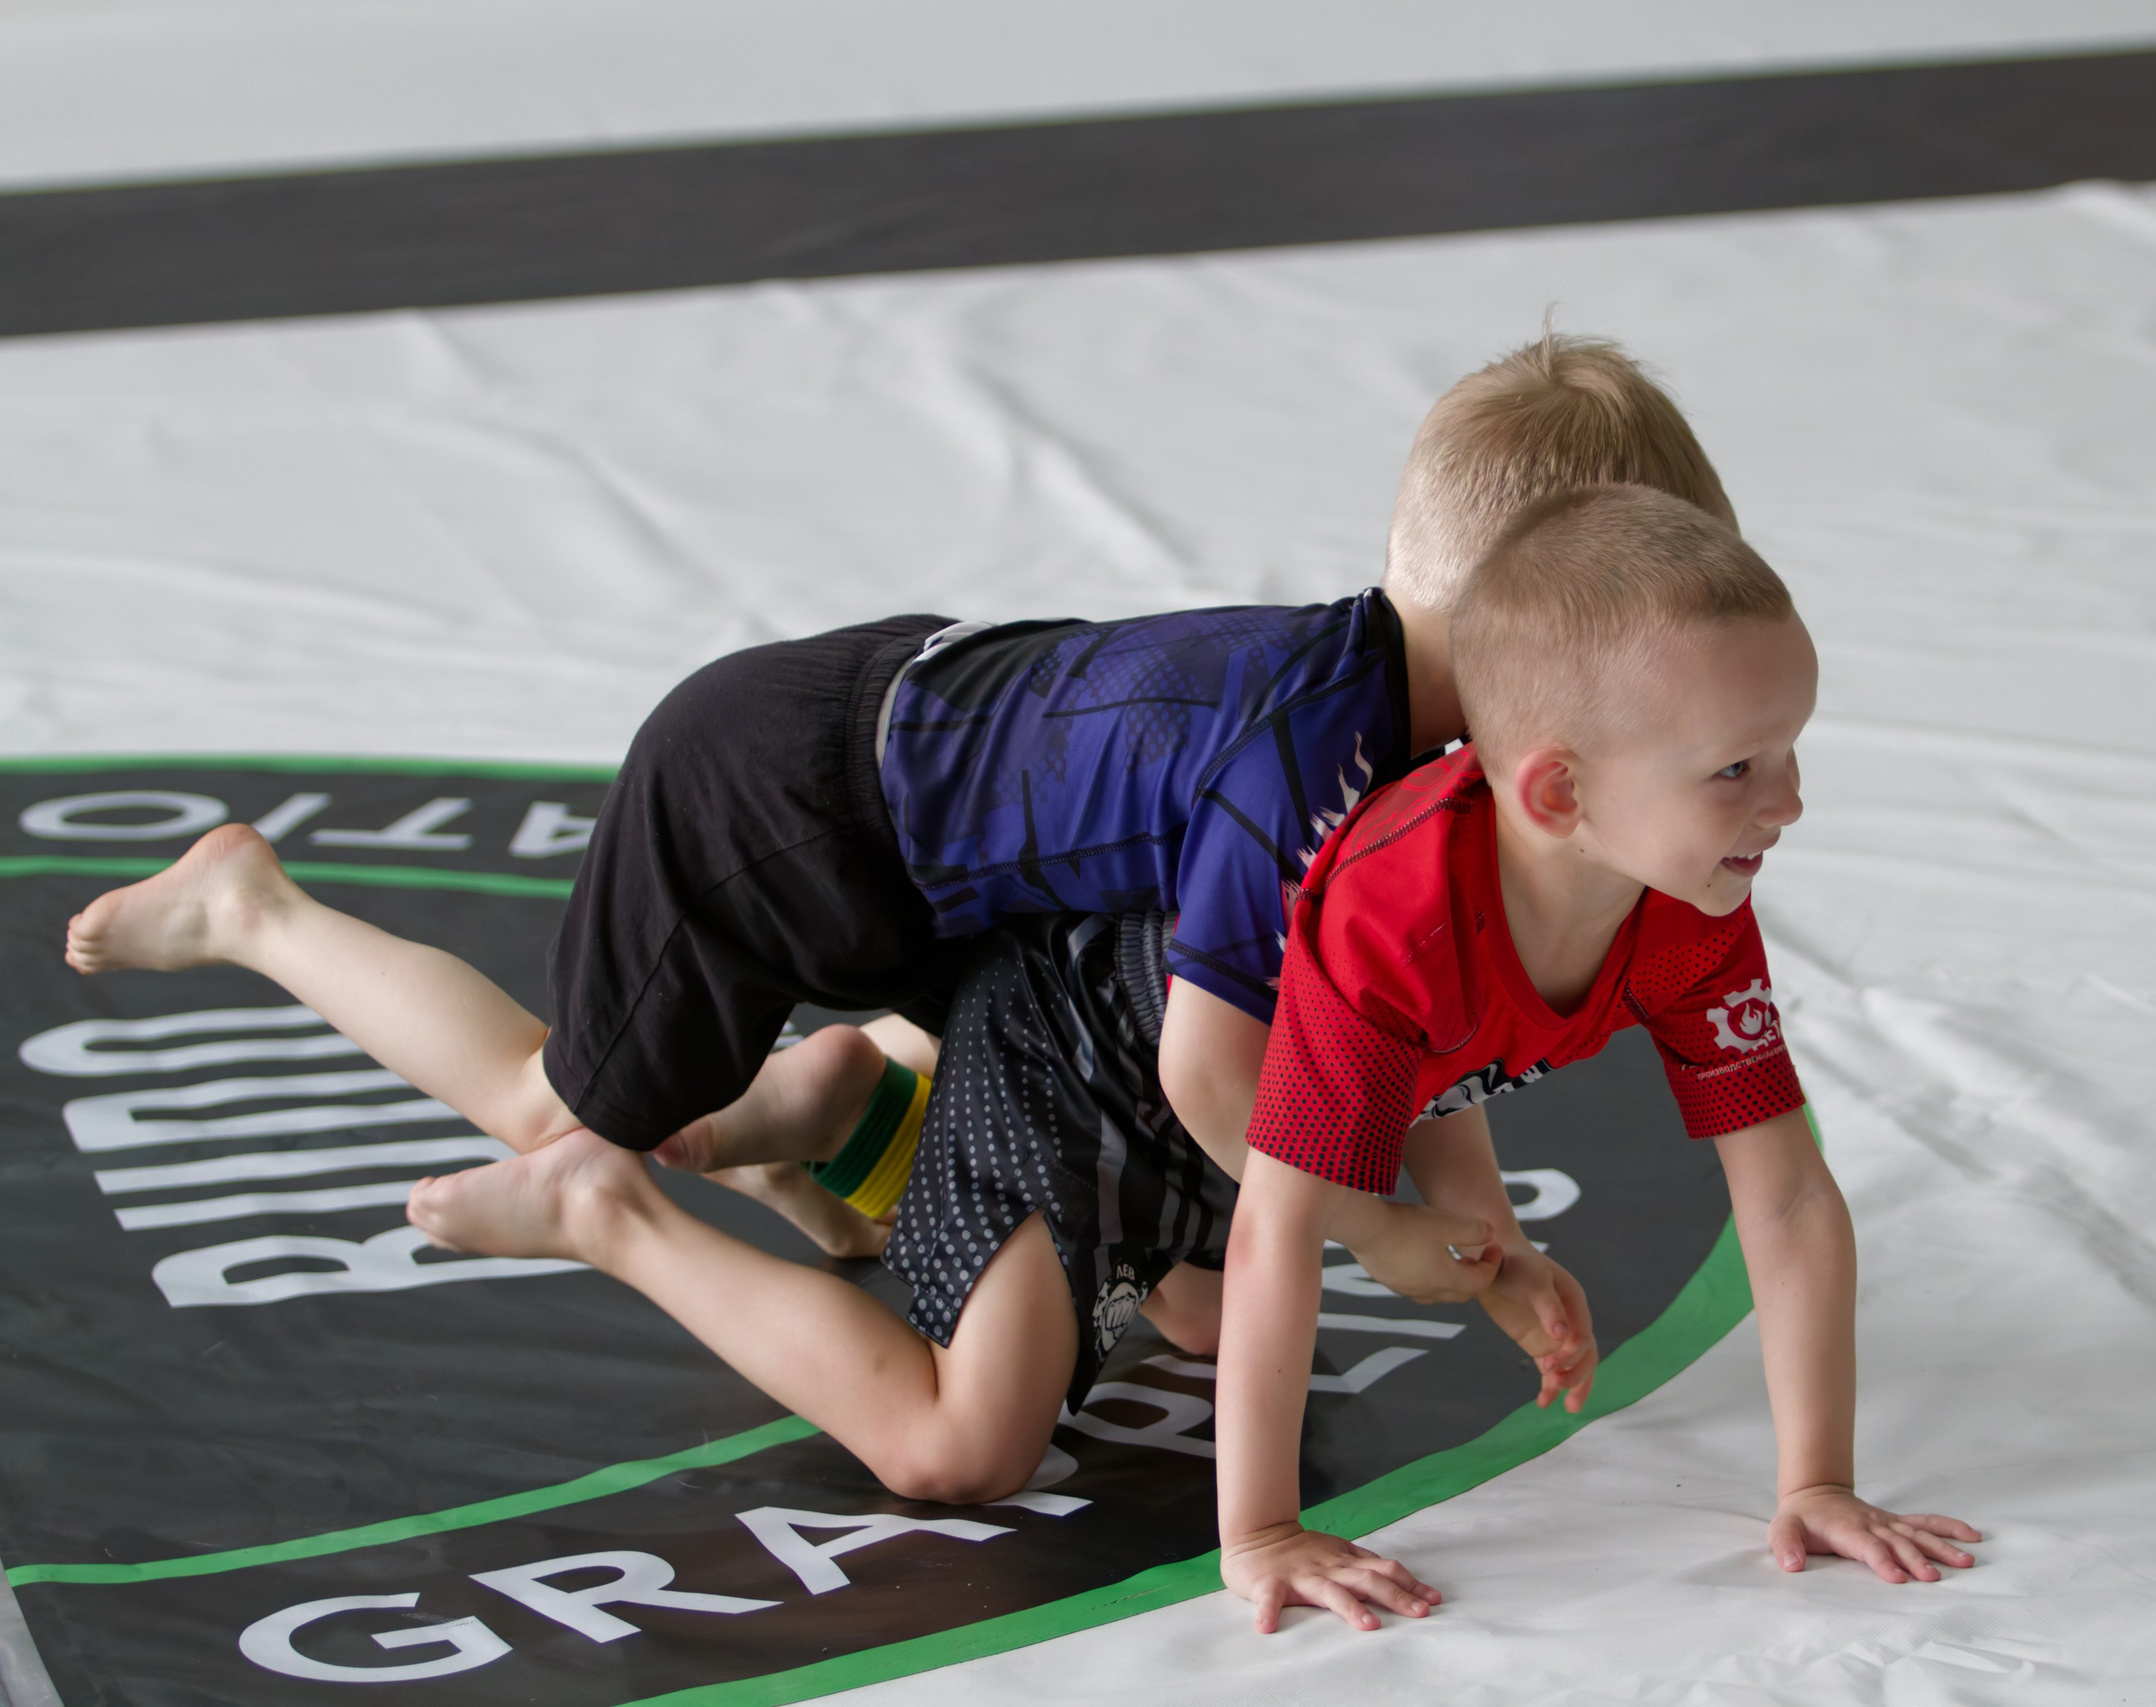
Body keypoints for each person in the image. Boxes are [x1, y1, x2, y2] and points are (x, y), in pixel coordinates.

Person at [60, 333, 1723, 1501]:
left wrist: (1474, 1232)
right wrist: (1365, 1227)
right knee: (563, 1108)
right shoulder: (1315, 750)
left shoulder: (1419, 739)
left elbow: (1389, 1013)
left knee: (1178, 1270)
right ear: (1537, 628)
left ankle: (836, 1104)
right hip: (791, 797)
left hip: (964, 860)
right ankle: (257, 909)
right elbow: (1226, 1080)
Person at [1214, 485, 1984, 1632]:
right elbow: (1277, 1223)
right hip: (1117, 1058)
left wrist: (1817, 1481)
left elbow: (1783, 1198)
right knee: (973, 1440)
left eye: (1789, 751)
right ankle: (897, 1083)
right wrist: (1261, 1533)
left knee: (1180, 1317)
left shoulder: (1691, 902)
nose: (1790, 802)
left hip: (1320, 1090)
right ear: (1561, 791)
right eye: (1737, 770)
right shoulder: (1397, 915)